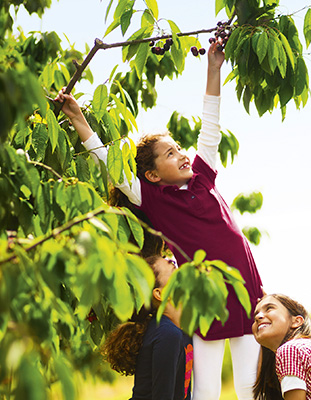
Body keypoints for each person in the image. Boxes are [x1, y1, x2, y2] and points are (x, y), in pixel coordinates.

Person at [56, 41, 264, 399]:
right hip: (203, 299)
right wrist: (78, 118)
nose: (182, 154)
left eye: (179, 148)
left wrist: (213, 69)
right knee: (207, 390)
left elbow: (210, 128)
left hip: (246, 288)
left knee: (250, 385)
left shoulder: (203, 175)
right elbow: (112, 166)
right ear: (152, 175)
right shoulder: (153, 198)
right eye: (170, 154)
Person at [102, 255, 193, 400]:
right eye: (172, 267)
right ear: (159, 293)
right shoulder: (167, 334)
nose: (173, 262)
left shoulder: (180, 332)